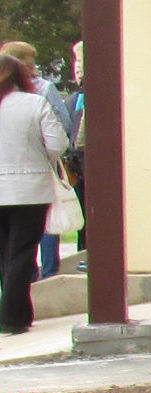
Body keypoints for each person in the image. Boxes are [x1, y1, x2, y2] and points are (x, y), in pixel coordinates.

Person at [0, 52, 68, 333]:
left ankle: (20, 314)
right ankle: (11, 317)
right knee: (21, 253)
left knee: (5, 254)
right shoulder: (34, 102)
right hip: (31, 190)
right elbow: (57, 143)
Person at [5, 43, 72, 278]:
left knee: (8, 251)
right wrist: (44, 159)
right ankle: (47, 274)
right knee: (38, 233)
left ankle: (17, 287)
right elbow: (61, 133)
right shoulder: (42, 92)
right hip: (36, 177)